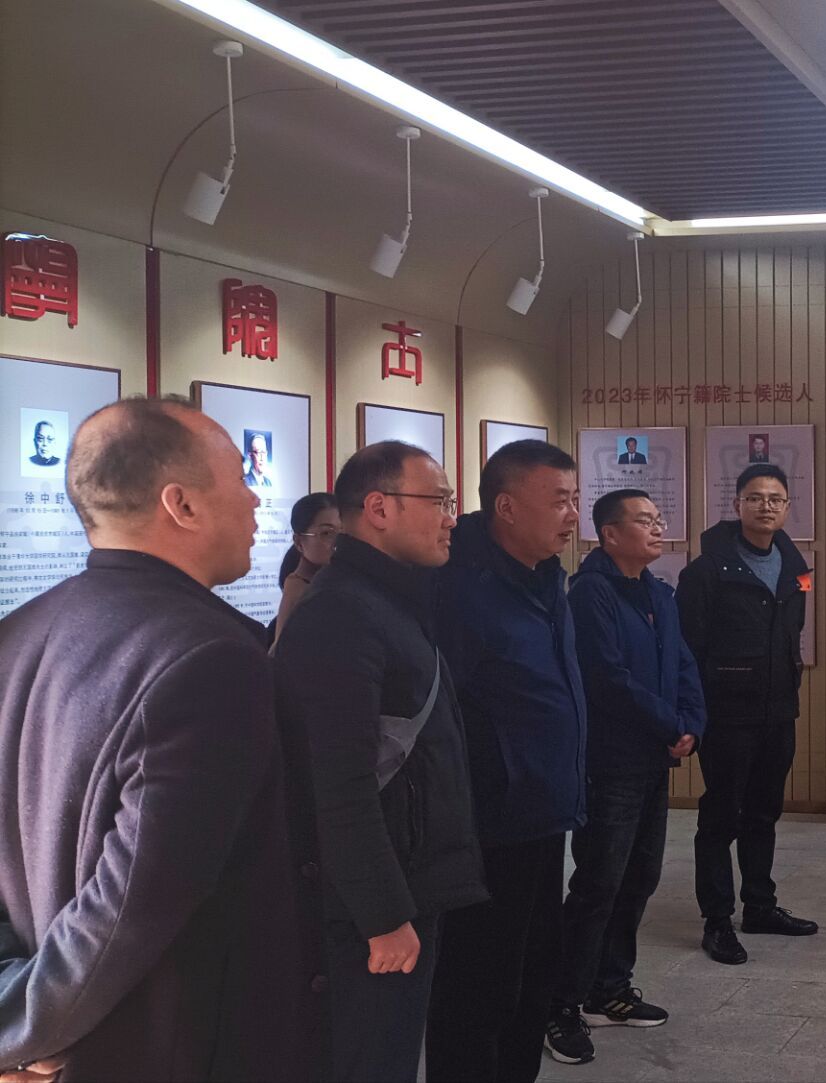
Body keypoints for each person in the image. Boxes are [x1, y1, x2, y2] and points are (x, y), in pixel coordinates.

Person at [0, 396, 321, 1080]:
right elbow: (128, 907)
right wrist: (23, 1030)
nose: (256, 500)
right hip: (174, 1048)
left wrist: (18, 1018)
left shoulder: (20, 633)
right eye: (240, 478)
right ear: (183, 504)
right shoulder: (213, 659)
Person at [275, 442, 486, 1082]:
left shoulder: (390, 599)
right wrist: (384, 914)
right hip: (370, 909)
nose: (451, 517)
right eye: (439, 501)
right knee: (369, 1060)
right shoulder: (341, 613)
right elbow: (335, 782)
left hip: (409, 878)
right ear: (379, 508)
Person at [425, 440, 588, 1083]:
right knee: (478, 989)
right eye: (559, 501)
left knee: (532, 976)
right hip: (487, 824)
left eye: (575, 499)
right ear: (507, 507)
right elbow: (442, 713)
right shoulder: (459, 588)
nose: (572, 515)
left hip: (544, 813)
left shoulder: (547, 577)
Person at [545, 489, 705, 1065]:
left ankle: (608, 989)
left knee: (640, 877)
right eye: (644, 521)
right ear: (610, 534)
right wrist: (670, 724)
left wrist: (692, 723)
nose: (657, 528)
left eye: (658, 519)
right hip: (611, 762)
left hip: (653, 759)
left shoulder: (659, 592)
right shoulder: (591, 593)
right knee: (598, 884)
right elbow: (607, 678)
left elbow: (682, 662)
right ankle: (560, 1004)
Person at [679, 463, 817, 965]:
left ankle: (759, 905)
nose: (765, 506)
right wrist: (692, 715)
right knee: (721, 817)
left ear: (787, 507)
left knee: (764, 812)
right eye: (755, 498)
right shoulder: (705, 571)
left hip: (778, 712)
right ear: (736, 504)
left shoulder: (795, 568)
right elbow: (688, 649)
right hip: (726, 714)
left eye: (775, 499)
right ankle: (717, 920)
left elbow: (792, 636)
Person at [273, 491, 340, 645]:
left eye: (343, 532)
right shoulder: (301, 591)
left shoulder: (328, 582)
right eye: (327, 533)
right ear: (298, 542)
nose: (338, 542)